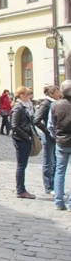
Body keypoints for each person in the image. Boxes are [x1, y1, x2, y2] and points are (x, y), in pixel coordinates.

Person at [48, 80, 71, 211]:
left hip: (61, 142)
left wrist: (56, 137)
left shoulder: (55, 105)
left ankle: (58, 201)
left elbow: (50, 126)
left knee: (60, 172)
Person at [10, 85, 36, 199]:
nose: (29, 97)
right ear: (22, 96)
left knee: (22, 165)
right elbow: (14, 125)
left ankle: (21, 189)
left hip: (23, 138)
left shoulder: (25, 107)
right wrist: (26, 136)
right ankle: (20, 190)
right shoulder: (18, 108)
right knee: (21, 165)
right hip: (20, 139)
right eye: (27, 95)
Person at [34, 85, 61, 195]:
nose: (59, 93)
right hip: (49, 136)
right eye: (58, 91)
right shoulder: (46, 104)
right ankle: (48, 186)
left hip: (56, 136)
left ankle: (55, 184)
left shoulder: (56, 102)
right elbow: (36, 120)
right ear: (52, 93)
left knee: (55, 161)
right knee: (48, 161)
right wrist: (47, 132)